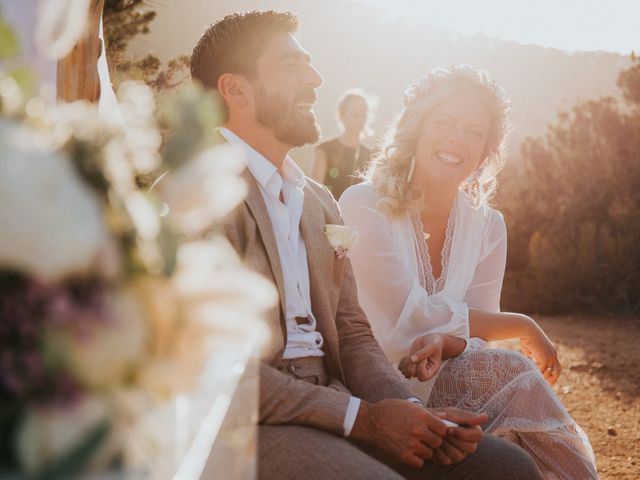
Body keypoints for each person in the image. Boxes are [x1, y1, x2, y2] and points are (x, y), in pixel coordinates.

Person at [190, 11, 543, 480]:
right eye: (292, 66)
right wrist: (364, 419)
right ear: (236, 90)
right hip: (251, 427)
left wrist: (408, 409)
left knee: (508, 470)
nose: (316, 80)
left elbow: (353, 333)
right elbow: (213, 371)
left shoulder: (318, 202)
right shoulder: (194, 198)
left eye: (310, 65)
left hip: (342, 404)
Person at [339, 65, 598, 479]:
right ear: (417, 128)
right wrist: (521, 325)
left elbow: (474, 340)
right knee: (515, 371)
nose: (457, 139)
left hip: (447, 378)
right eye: (444, 122)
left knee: (515, 428)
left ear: (486, 150)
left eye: (474, 132)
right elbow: (396, 323)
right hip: (374, 388)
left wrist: (447, 340)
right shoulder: (364, 204)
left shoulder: (489, 226)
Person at [312, 90, 371, 198]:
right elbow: (316, 191)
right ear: (342, 115)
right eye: (355, 114)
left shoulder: (370, 155)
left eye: (364, 114)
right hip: (330, 213)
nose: (361, 120)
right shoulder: (325, 149)